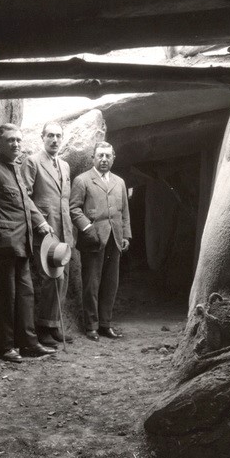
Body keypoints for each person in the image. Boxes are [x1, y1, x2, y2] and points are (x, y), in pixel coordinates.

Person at [0, 123, 56, 362]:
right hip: (1, 246)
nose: (16, 144)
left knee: (25, 295)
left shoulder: (15, 168)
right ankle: (5, 347)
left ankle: (28, 343)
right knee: (5, 297)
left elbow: (25, 201)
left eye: (18, 140)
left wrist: (40, 222)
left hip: (21, 243)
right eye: (10, 140)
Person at [70, 141, 132, 341]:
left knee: (110, 283)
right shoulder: (82, 180)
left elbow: (124, 212)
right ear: (93, 158)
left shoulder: (119, 182)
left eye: (107, 156)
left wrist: (126, 235)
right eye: (100, 156)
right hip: (93, 239)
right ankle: (91, 326)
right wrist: (88, 228)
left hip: (115, 238)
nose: (104, 159)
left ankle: (106, 324)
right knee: (92, 283)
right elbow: (74, 209)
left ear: (113, 158)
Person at [21, 122, 74, 347]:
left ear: (62, 139)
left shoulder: (65, 165)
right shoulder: (32, 162)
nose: (54, 140)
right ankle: (43, 328)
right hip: (45, 229)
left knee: (63, 276)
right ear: (42, 137)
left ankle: (53, 326)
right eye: (50, 135)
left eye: (58, 136)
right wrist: (39, 221)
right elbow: (24, 196)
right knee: (51, 277)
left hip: (64, 230)